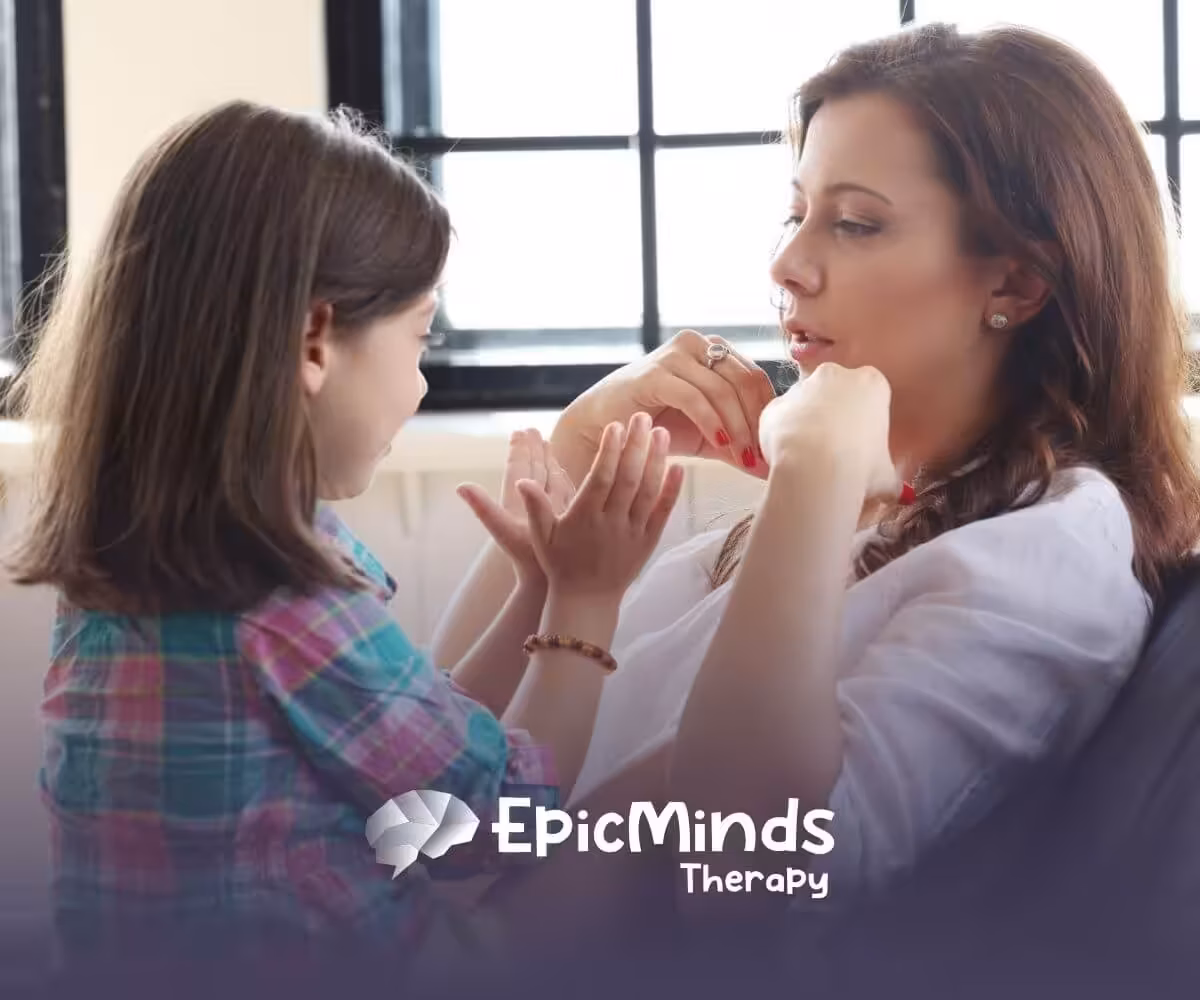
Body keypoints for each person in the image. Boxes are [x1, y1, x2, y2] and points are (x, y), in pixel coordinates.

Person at [438, 22, 1200, 944]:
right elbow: (429, 751)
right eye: (796, 213)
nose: (787, 266)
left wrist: (812, 470)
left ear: (1020, 281)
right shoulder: (881, 500)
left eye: (855, 222)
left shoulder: (1053, 552)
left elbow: (746, 868)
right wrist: (581, 445)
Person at [4, 100, 682, 978]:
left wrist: (534, 592)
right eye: (418, 338)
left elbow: (405, 748)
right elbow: (497, 822)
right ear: (315, 340)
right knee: (671, 790)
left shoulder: (139, 556)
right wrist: (588, 603)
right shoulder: (279, 591)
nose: (417, 386)